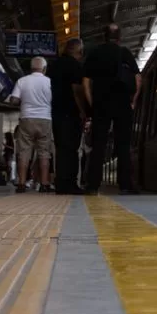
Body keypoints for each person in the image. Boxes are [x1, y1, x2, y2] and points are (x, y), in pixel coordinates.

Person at [82, 23, 142, 194]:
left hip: (101, 103)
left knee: (98, 144)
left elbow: (85, 82)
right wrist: (133, 101)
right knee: (123, 144)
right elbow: (138, 79)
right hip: (123, 103)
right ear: (119, 37)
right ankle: (125, 185)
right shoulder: (125, 53)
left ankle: (93, 185)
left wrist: (92, 103)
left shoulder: (95, 53)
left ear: (104, 36)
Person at [8, 57, 55, 193]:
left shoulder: (22, 81)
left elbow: (14, 100)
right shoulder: (49, 82)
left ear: (31, 68)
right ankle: (44, 184)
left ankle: (21, 184)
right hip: (45, 119)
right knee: (44, 153)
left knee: (24, 152)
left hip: (26, 119)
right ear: (44, 69)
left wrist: (19, 100)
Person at [50, 37, 89, 195]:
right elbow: (77, 90)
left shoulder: (54, 65)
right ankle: (70, 184)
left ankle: (60, 184)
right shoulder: (74, 66)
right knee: (71, 149)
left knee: (61, 149)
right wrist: (83, 112)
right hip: (70, 113)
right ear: (79, 51)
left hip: (56, 112)